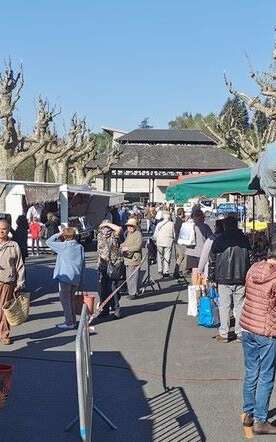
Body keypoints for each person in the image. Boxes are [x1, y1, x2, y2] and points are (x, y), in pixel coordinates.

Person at [239, 243, 276, 435]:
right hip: (267, 331)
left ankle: (248, 412)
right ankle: (261, 420)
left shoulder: (253, 268)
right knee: (266, 375)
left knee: (251, 371)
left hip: (248, 327)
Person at [209, 214, 251, 343]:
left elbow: (213, 259)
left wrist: (211, 277)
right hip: (241, 276)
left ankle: (224, 333)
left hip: (223, 277)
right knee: (239, 306)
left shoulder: (219, 239)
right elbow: (250, 256)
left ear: (225, 226)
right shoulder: (244, 239)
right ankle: (239, 333)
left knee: (224, 306)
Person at [46, 228, 85, 330]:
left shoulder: (63, 246)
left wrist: (58, 234)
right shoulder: (80, 246)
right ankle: (72, 321)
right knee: (71, 299)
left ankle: (69, 322)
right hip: (76, 276)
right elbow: (83, 263)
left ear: (64, 236)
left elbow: (48, 241)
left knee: (65, 300)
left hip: (65, 276)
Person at [0, 219, 25, 345]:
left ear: (9, 230)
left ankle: (4, 333)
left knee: (4, 309)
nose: (1, 231)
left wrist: (20, 282)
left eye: (4, 229)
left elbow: (20, 265)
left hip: (7, 281)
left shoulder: (13, 245)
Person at [97, 221, 123, 319]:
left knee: (113, 288)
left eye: (107, 227)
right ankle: (105, 309)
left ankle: (117, 309)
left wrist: (108, 224)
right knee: (102, 289)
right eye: (103, 227)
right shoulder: (100, 235)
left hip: (114, 264)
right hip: (102, 265)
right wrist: (103, 225)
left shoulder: (114, 234)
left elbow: (119, 229)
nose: (105, 229)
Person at [121, 218, 143, 299]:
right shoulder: (129, 234)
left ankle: (133, 293)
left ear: (135, 226)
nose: (129, 228)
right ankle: (133, 292)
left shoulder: (138, 234)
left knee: (133, 277)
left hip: (134, 259)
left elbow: (138, 246)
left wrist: (127, 248)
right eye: (128, 226)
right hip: (128, 258)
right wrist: (121, 246)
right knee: (130, 276)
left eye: (131, 226)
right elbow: (125, 243)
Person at [154, 211, 175, 277]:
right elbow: (174, 233)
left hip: (160, 241)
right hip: (168, 241)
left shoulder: (159, 224)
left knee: (160, 256)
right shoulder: (172, 224)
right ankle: (166, 271)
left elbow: (155, 234)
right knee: (167, 256)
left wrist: (155, 240)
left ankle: (160, 269)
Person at [173, 208, 186, 279]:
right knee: (181, 256)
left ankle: (177, 271)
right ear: (182, 213)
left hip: (176, 241)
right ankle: (177, 271)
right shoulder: (180, 222)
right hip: (180, 241)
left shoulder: (177, 220)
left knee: (179, 256)